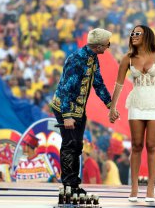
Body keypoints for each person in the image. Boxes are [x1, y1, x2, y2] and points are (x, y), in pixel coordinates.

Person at [109, 25, 155, 202]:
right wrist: (113, 107)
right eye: (132, 33)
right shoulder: (128, 58)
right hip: (137, 102)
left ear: (146, 35)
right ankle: (133, 188)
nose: (133, 35)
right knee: (137, 145)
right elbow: (119, 84)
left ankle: (150, 188)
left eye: (137, 33)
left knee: (152, 145)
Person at [50, 28, 116, 194]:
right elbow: (66, 89)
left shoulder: (93, 58)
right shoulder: (77, 60)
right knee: (69, 144)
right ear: (98, 45)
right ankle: (68, 185)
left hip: (78, 109)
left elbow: (98, 83)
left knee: (78, 146)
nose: (108, 46)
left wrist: (110, 104)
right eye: (107, 43)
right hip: (66, 108)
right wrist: (67, 116)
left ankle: (74, 184)